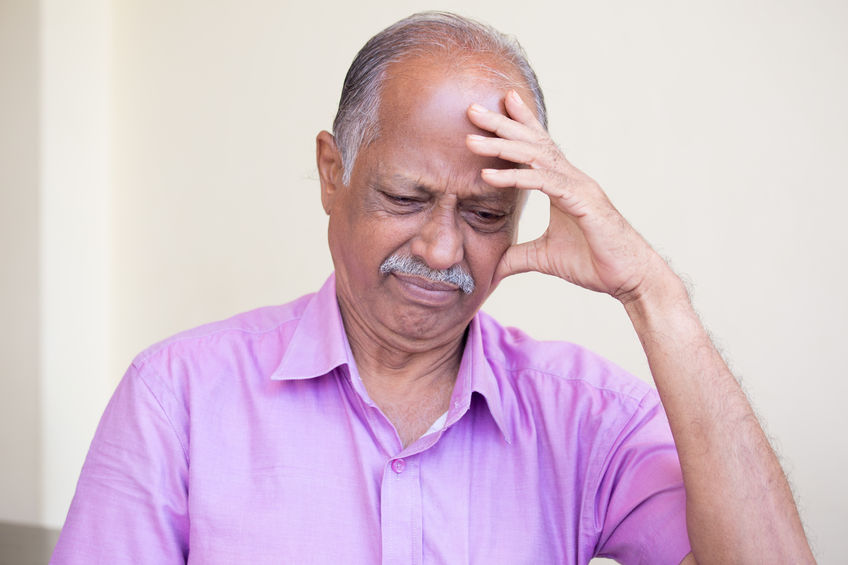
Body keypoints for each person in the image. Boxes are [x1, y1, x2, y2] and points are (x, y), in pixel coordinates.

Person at [52, 11, 813, 564]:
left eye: (485, 213)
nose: (443, 247)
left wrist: (655, 293)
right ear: (331, 171)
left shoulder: (584, 416)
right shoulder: (176, 398)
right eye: (407, 199)